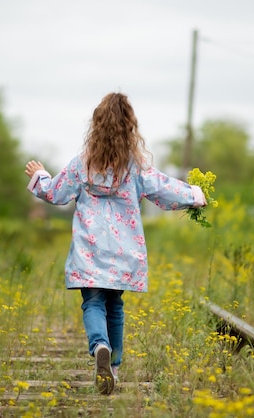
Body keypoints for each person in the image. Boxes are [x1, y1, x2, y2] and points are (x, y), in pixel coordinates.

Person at [24, 92, 206, 395]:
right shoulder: (135, 168)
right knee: (115, 306)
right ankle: (115, 368)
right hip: (124, 252)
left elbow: (56, 193)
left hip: (89, 250)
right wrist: (195, 196)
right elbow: (163, 189)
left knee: (93, 302)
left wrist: (40, 176)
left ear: (97, 127)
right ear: (129, 129)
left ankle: (100, 346)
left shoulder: (81, 165)